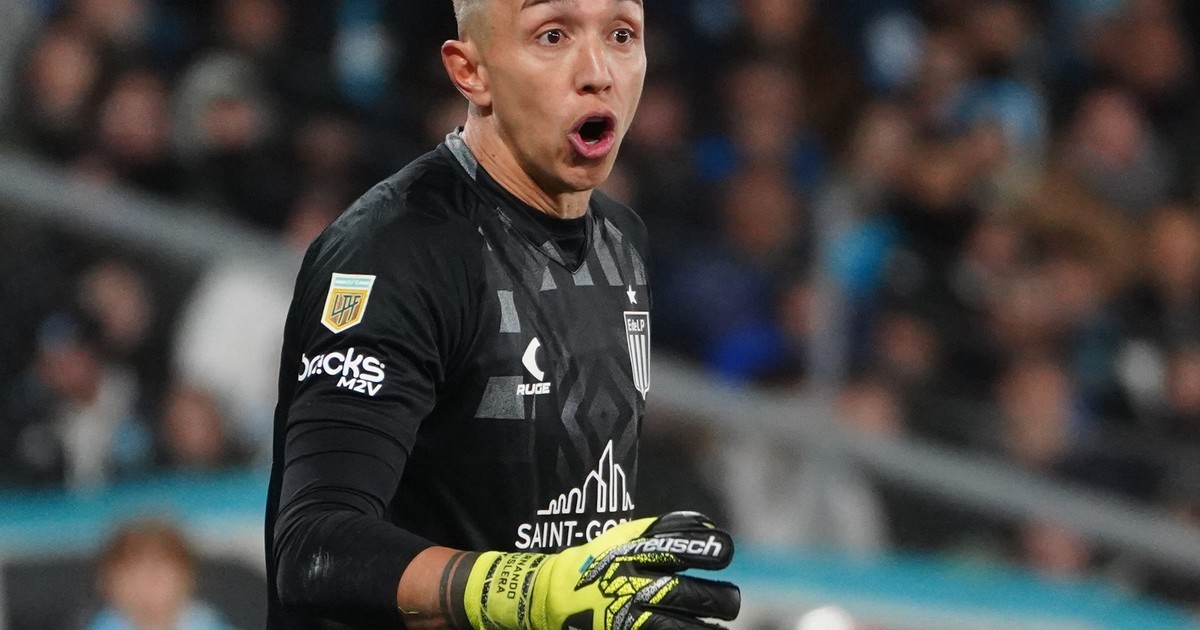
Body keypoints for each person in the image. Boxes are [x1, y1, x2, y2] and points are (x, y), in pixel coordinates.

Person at [264, 1, 742, 629]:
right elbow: (314, 548)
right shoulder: (395, 252)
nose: (598, 72)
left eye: (622, 34)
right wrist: (527, 591)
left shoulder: (622, 243)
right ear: (472, 72)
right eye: (553, 35)